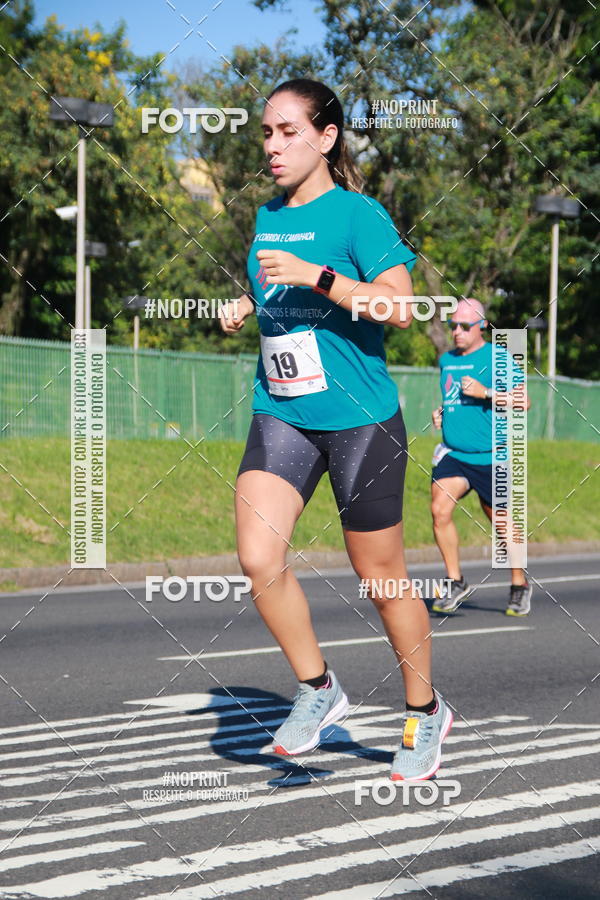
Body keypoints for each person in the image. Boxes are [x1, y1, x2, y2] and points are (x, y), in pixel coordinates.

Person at [219, 78, 452, 781]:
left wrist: (319, 277)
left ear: (326, 138)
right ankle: (320, 691)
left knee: (380, 578)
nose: (272, 145)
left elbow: (401, 309)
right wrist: (244, 303)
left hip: (361, 421)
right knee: (259, 558)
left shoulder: (359, 216)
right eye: (265, 132)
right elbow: (275, 288)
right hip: (283, 409)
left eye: (288, 131)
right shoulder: (266, 214)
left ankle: (424, 712)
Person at [430, 298, 532, 617]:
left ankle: (519, 585)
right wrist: (442, 412)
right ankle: (455, 580)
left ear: (482, 327)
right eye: (453, 326)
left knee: (500, 523)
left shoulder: (496, 357)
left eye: (464, 326)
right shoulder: (447, 359)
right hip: (455, 454)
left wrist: (485, 393)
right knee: (439, 508)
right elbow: (452, 398)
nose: (457, 332)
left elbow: (523, 401)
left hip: (492, 456)